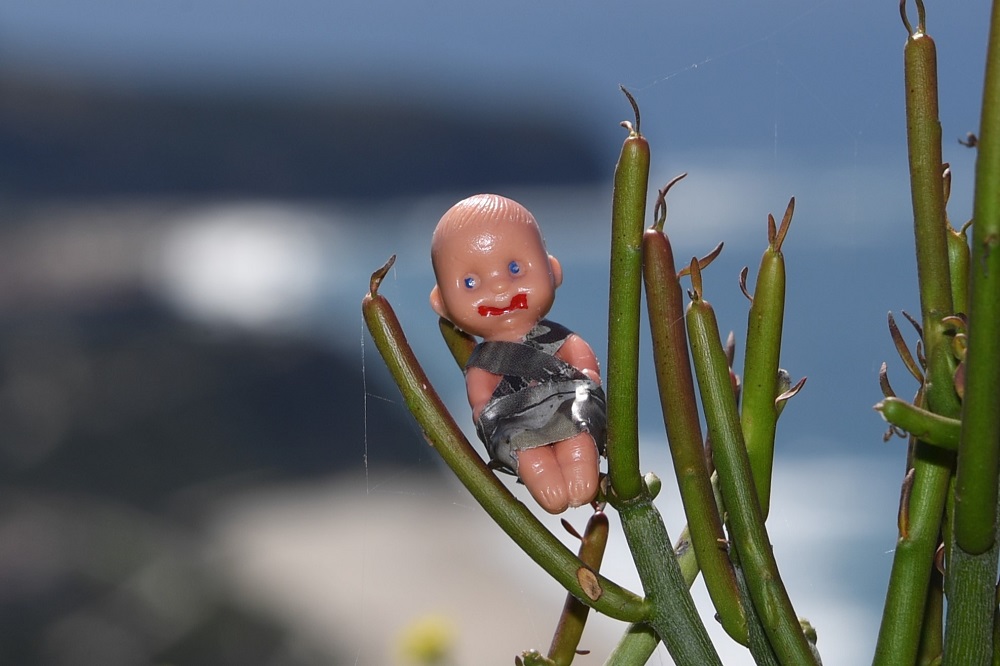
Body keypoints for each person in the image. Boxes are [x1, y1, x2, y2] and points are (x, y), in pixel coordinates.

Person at [429, 193, 606, 514]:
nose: (499, 289)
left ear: (552, 270)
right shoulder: (485, 360)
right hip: (515, 418)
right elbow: (481, 393)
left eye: (514, 268)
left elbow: (580, 357)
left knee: (578, 436)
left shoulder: (555, 337)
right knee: (527, 453)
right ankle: (543, 479)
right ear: (441, 302)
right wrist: (485, 409)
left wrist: (588, 376)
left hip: (569, 403)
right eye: (470, 282)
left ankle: (581, 468)